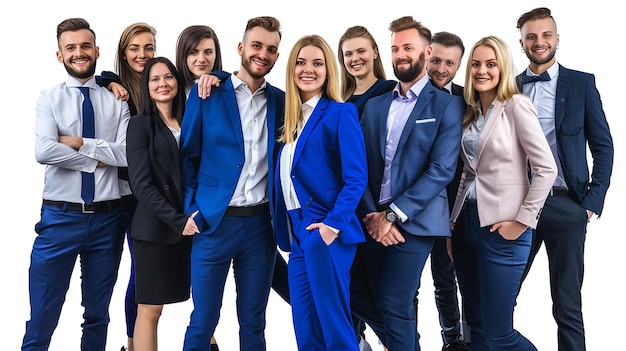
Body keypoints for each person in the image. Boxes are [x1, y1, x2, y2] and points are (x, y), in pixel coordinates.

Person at [351, 16, 464, 351]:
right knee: (356, 291)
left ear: (426, 52)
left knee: (394, 302)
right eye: (395, 48)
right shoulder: (374, 105)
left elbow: (441, 169)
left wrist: (392, 216)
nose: (401, 54)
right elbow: (361, 166)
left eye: (408, 48)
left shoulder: (447, 105)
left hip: (415, 221)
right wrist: (373, 215)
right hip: (371, 220)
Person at [22, 17, 130, 350]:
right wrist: (96, 159)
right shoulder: (49, 98)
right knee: (42, 316)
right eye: (71, 48)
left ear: (97, 50)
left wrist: (76, 142)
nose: (79, 53)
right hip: (60, 219)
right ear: (60, 55)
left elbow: (126, 155)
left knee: (98, 315)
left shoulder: (118, 99)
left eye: (85, 46)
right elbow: (44, 151)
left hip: (108, 220)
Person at [179, 16, 284, 351]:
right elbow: (188, 156)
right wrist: (192, 210)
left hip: (259, 227)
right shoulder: (208, 91)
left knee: (253, 322)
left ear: (276, 56)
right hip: (214, 223)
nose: (262, 54)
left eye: (270, 49)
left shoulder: (282, 102)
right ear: (241, 48)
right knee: (203, 319)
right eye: (256, 46)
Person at [449, 35, 557, 350]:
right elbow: (470, 172)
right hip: (465, 227)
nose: (482, 71)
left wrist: (522, 221)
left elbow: (546, 169)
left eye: (491, 64)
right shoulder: (470, 114)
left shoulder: (517, 106)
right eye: (476, 64)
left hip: (503, 230)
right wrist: (453, 223)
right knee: (478, 329)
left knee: (500, 333)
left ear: (503, 68)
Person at [515, 7, 614, 351]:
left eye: (545, 35)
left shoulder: (581, 83)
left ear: (557, 39)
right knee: (499, 296)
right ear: (522, 42)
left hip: (566, 205)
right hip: (517, 208)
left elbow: (603, 146)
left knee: (567, 304)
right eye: (531, 36)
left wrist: (590, 204)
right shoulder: (509, 87)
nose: (539, 42)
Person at [273, 34, 368, 351]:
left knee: (334, 326)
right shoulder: (289, 120)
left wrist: (332, 225)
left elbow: (356, 177)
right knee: (306, 328)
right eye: (301, 62)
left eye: (317, 63)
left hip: (324, 227)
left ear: (329, 70)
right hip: (295, 231)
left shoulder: (340, 113)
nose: (308, 69)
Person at [126, 57, 196, 351]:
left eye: (168, 77)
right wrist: (179, 221)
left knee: (202, 304)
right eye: (154, 79)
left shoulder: (191, 119)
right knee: (151, 309)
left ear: (177, 82)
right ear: (147, 86)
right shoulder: (141, 125)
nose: (162, 83)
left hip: (192, 227)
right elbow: (141, 185)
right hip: (156, 231)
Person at [96, 22, 157, 351]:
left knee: (141, 270)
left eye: (148, 48)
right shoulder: (113, 88)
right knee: (112, 274)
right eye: (135, 48)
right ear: (123, 52)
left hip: (144, 196)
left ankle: (133, 343)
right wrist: (109, 79)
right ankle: (131, 343)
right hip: (116, 195)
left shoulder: (158, 85)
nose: (142, 55)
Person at [337, 24, 395, 351]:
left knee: (388, 295)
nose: (356, 58)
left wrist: (386, 212)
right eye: (348, 54)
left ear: (375, 51)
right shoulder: (338, 99)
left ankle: (396, 343)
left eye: (361, 50)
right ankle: (357, 342)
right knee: (346, 288)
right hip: (347, 211)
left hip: (383, 212)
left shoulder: (391, 91)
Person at [422, 31, 469, 351]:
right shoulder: (406, 94)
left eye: (449, 63)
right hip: (403, 207)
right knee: (403, 285)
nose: (441, 68)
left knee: (446, 279)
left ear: (459, 65)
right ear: (425, 56)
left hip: (452, 209)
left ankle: (453, 341)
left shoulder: (469, 100)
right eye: (435, 60)